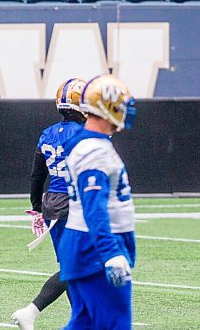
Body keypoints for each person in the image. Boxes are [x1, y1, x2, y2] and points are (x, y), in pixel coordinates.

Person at [58, 74, 137, 330]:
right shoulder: (94, 149)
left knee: (85, 324)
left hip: (84, 244)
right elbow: (94, 208)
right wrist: (111, 252)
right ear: (107, 106)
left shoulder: (89, 144)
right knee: (114, 324)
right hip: (95, 247)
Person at [11, 78, 87, 330]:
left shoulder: (48, 133)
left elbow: (37, 175)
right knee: (80, 265)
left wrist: (37, 207)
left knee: (71, 266)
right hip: (77, 204)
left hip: (52, 203)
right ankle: (32, 311)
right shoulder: (89, 135)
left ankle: (81, 318)